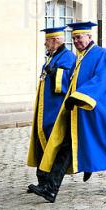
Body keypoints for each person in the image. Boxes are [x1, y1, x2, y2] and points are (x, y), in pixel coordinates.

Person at [28, 22, 106, 202]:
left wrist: (79, 96)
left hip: (104, 109)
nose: (76, 41)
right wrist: (71, 98)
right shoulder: (81, 57)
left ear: (89, 37)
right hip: (82, 111)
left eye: (79, 37)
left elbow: (101, 78)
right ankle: (51, 188)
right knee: (66, 146)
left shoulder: (101, 54)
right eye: (74, 38)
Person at [27, 27, 76, 190]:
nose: (45, 43)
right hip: (45, 109)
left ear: (56, 40)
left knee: (53, 145)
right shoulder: (52, 57)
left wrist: (54, 72)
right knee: (41, 143)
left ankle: (48, 183)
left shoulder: (68, 57)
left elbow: (64, 84)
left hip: (56, 110)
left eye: (47, 40)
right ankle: (42, 180)